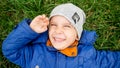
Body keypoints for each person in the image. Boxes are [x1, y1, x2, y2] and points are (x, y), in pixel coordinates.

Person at [2, 3, 120, 68]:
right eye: (53, 25)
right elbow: (9, 49)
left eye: (67, 26)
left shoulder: (89, 56)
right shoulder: (34, 53)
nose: (58, 30)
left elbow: (114, 60)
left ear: (77, 35)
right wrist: (30, 30)